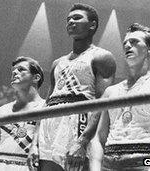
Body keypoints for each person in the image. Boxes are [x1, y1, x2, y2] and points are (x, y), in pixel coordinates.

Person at [32, 3, 116, 171]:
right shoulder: (57, 63)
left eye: (77, 18)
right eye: (68, 19)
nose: (71, 21)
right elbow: (46, 104)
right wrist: (34, 143)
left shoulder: (102, 57)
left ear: (92, 25)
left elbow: (103, 104)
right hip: (49, 125)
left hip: (79, 123)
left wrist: (83, 141)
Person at [90, 23, 150, 171]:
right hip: (109, 164)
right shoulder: (110, 91)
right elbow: (98, 138)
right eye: (125, 43)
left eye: (134, 42)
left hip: (144, 163)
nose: (127, 45)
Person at [0, 56, 45, 171]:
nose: (14, 72)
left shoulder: (46, 108)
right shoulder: (2, 111)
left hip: (28, 166)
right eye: (13, 70)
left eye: (21, 69)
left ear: (36, 77)